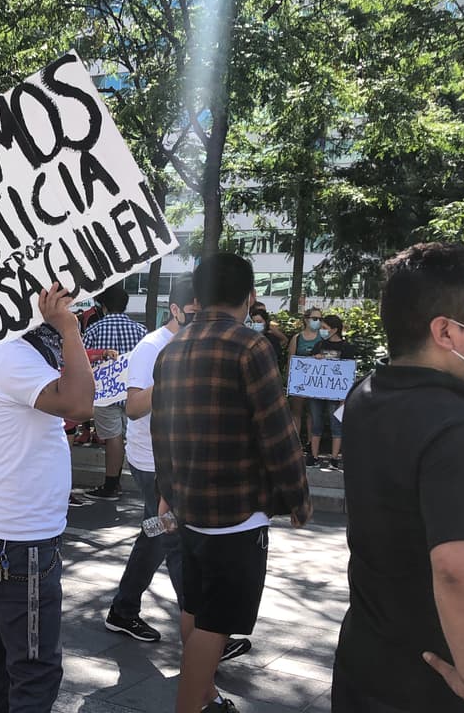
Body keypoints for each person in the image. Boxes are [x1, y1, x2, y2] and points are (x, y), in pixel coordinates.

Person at [331, 243, 464, 713]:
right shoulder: (456, 429)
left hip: (369, 659)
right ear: (444, 331)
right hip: (438, 685)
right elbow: (458, 568)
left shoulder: (369, 395)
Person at [152, 253, 311, 713]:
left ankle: (205, 697)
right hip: (237, 512)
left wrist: (168, 492)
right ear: (249, 296)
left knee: (196, 608)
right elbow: (277, 433)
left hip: (189, 507)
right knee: (216, 623)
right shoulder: (250, 346)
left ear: (197, 297)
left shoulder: (172, 349)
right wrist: (298, 498)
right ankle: (192, 705)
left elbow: (162, 431)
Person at [103, 274, 252, 659]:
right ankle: (206, 632)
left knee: (155, 533)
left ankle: (122, 609)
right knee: (176, 541)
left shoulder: (207, 342)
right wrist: (172, 376)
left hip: (189, 460)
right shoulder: (152, 347)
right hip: (153, 462)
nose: (201, 321)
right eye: (192, 314)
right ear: (174, 310)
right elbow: (133, 407)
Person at [0, 284, 94, 711]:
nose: (68, 306)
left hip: (11, 534)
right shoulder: (12, 356)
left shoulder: (12, 356)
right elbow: (79, 404)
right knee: (35, 668)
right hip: (23, 542)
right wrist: (70, 329)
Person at [82, 285, 147, 501]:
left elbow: (82, 360)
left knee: (113, 438)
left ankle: (111, 484)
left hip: (106, 393)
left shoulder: (94, 330)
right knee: (132, 435)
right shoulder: (140, 330)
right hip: (133, 392)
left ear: (104, 306)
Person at [309, 314, 357, 469]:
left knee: (336, 425)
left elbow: (348, 373)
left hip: (336, 394)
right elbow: (309, 369)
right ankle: (314, 456)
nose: (321, 331)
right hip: (317, 391)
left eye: (325, 328)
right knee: (316, 423)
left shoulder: (347, 348)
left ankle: (334, 458)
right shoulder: (318, 346)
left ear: (335, 329)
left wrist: (344, 395)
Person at [288, 307, 324, 466]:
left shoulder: (322, 338)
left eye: (320, 319)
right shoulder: (297, 338)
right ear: (306, 319)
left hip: (315, 383)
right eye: (315, 318)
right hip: (299, 381)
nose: (318, 321)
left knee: (312, 413)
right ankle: (295, 444)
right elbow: (291, 359)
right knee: (296, 412)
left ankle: (310, 444)